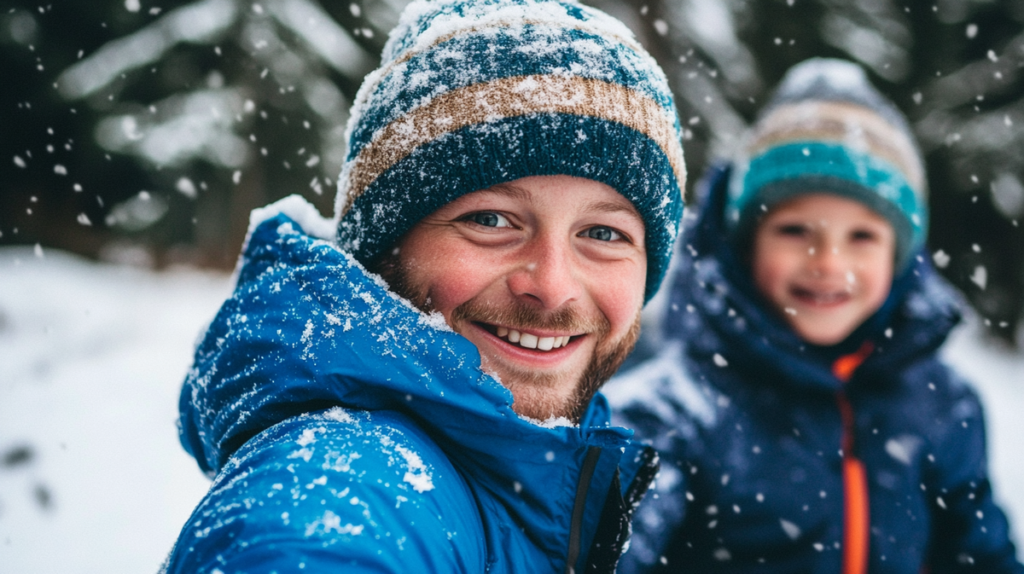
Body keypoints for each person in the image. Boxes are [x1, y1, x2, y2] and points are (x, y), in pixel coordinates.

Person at [161, 0, 687, 572]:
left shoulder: (535, 472)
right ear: (385, 248)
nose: (553, 286)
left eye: (604, 232)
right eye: (490, 220)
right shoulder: (342, 486)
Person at [607, 58, 1024, 573]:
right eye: (796, 231)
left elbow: (980, 556)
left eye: (862, 237)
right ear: (745, 245)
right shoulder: (676, 413)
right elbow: (612, 550)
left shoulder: (941, 405)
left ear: (900, 257)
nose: (828, 263)